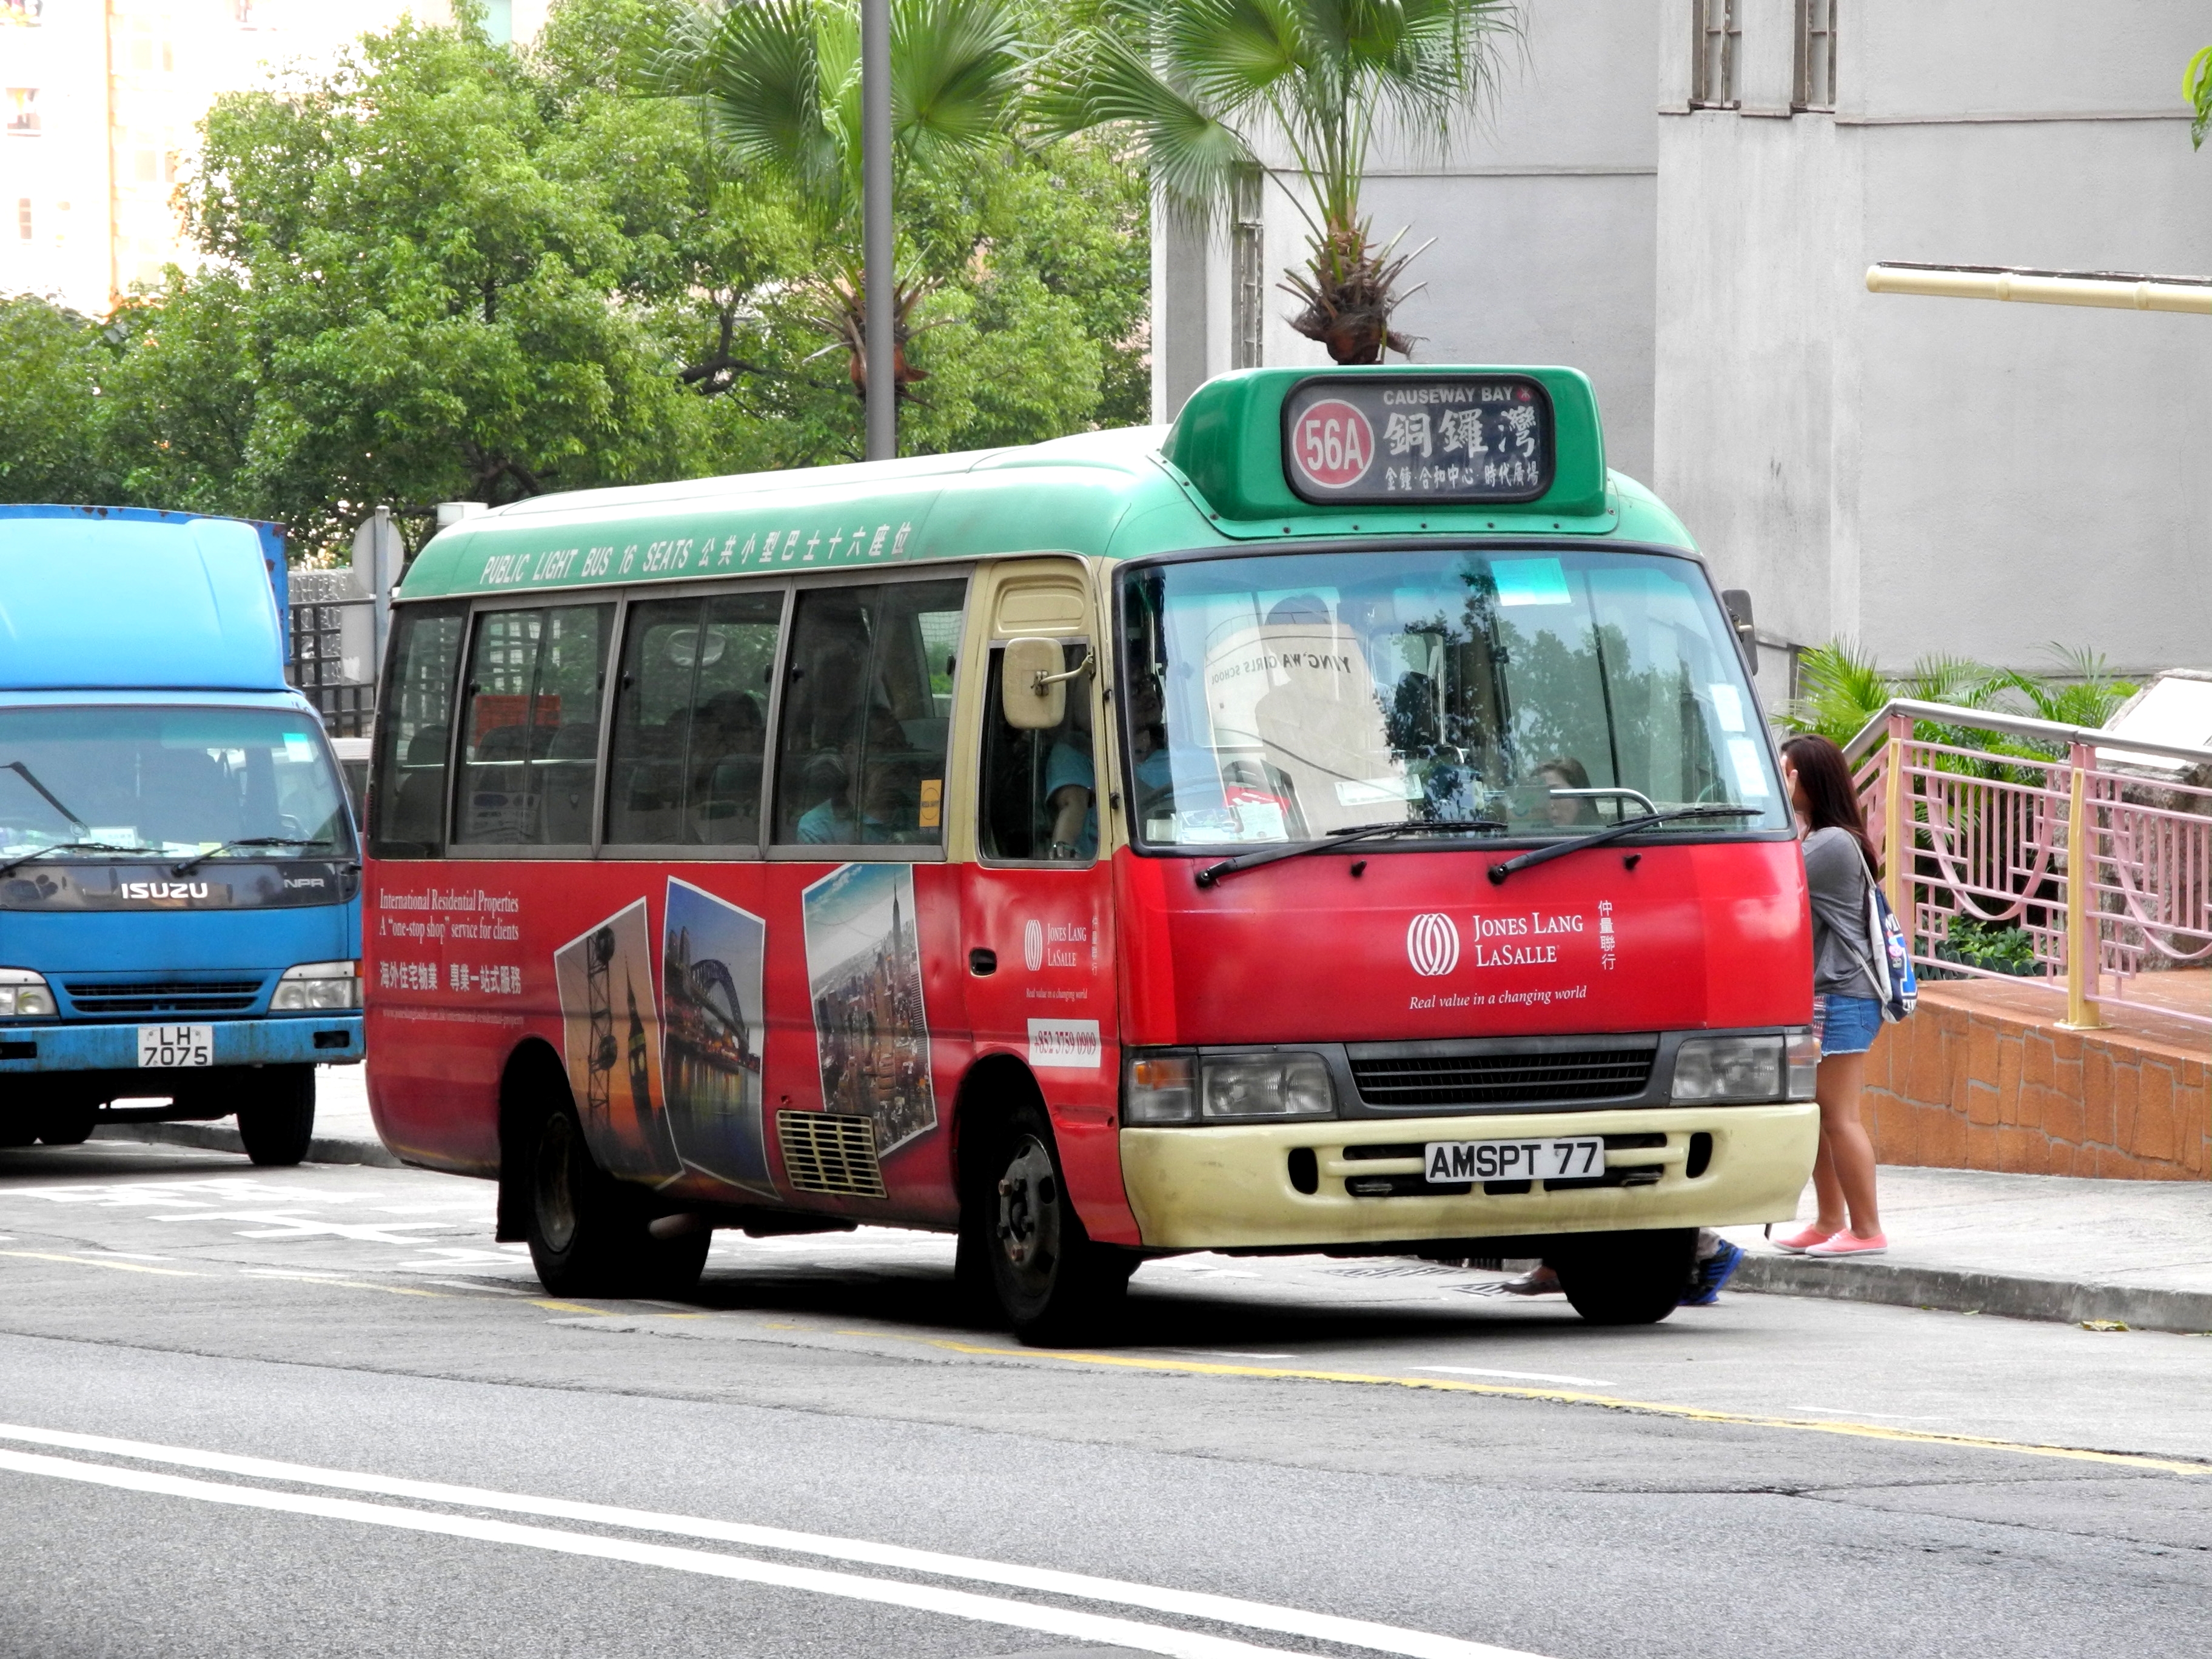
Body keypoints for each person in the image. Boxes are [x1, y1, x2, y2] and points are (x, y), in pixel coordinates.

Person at [1774, 732, 1888, 1258]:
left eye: (1786, 772)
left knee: (1838, 1113)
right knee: (1813, 1109)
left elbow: (1770, 881)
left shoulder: (1831, 844)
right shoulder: (1819, 838)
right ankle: (1826, 1221)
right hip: (1812, 1000)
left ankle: (1867, 1231)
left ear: (1808, 780)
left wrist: (1774, 799)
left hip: (1844, 996)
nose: (1781, 779)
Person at [1537, 756, 1601, 826]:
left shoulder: (1606, 835)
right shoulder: (1532, 836)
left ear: (1582, 800)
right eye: (1543, 794)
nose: (1551, 805)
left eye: (1557, 793)